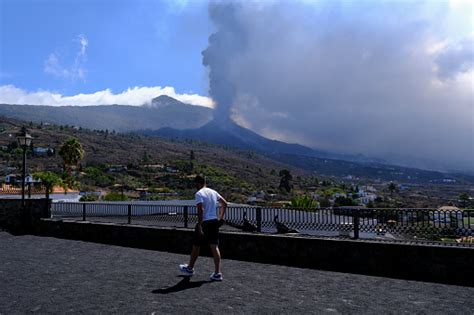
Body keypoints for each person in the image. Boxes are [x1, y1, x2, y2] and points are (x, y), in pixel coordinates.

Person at [179, 175, 228, 281]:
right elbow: (225, 203)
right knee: (214, 247)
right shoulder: (213, 192)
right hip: (214, 222)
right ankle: (217, 273)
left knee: (196, 246)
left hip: (204, 222)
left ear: (199, 183)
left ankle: (190, 269)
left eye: (195, 184)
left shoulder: (199, 193)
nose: (195, 186)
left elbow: (200, 210)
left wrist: (200, 225)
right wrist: (221, 218)